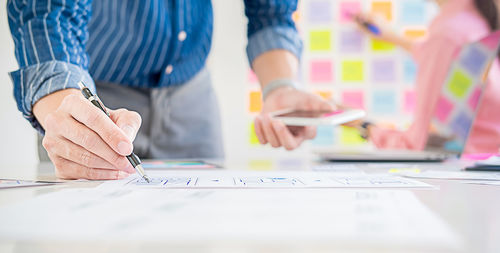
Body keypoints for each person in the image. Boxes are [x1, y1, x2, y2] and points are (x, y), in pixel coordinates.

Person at [7, 1, 333, 180]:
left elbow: (272, 11)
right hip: (91, 98)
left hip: (192, 95)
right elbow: (46, 13)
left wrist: (280, 86)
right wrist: (64, 107)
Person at [352, 0, 500, 154]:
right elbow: (454, 63)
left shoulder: (448, 34)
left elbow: (423, 145)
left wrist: (364, 126)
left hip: (465, 170)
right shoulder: (475, 22)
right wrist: (393, 37)